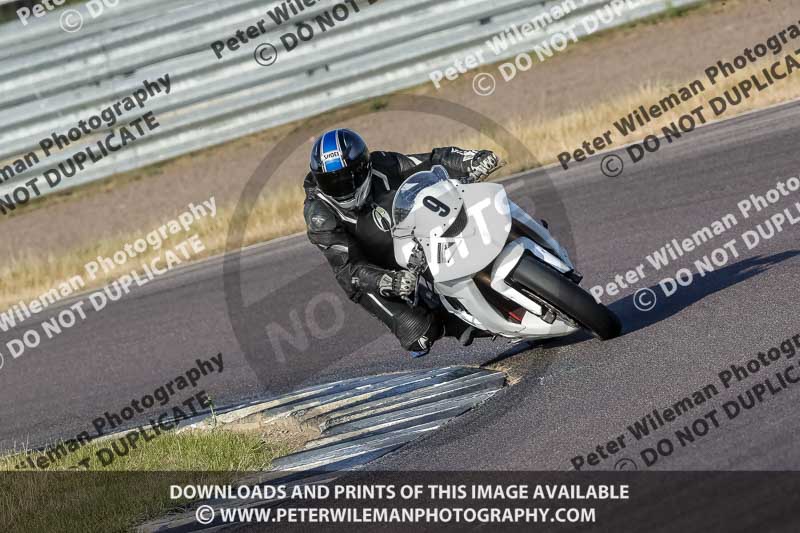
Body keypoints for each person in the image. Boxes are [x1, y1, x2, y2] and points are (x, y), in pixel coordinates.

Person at [303, 128, 501, 357]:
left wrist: (471, 159)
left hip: (412, 235)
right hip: (371, 273)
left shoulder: (382, 164)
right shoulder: (319, 214)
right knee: (419, 334)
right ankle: (463, 325)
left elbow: (430, 161)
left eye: (348, 179)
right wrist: (388, 280)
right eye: (333, 183)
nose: (343, 189)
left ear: (364, 167)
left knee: (469, 209)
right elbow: (348, 269)